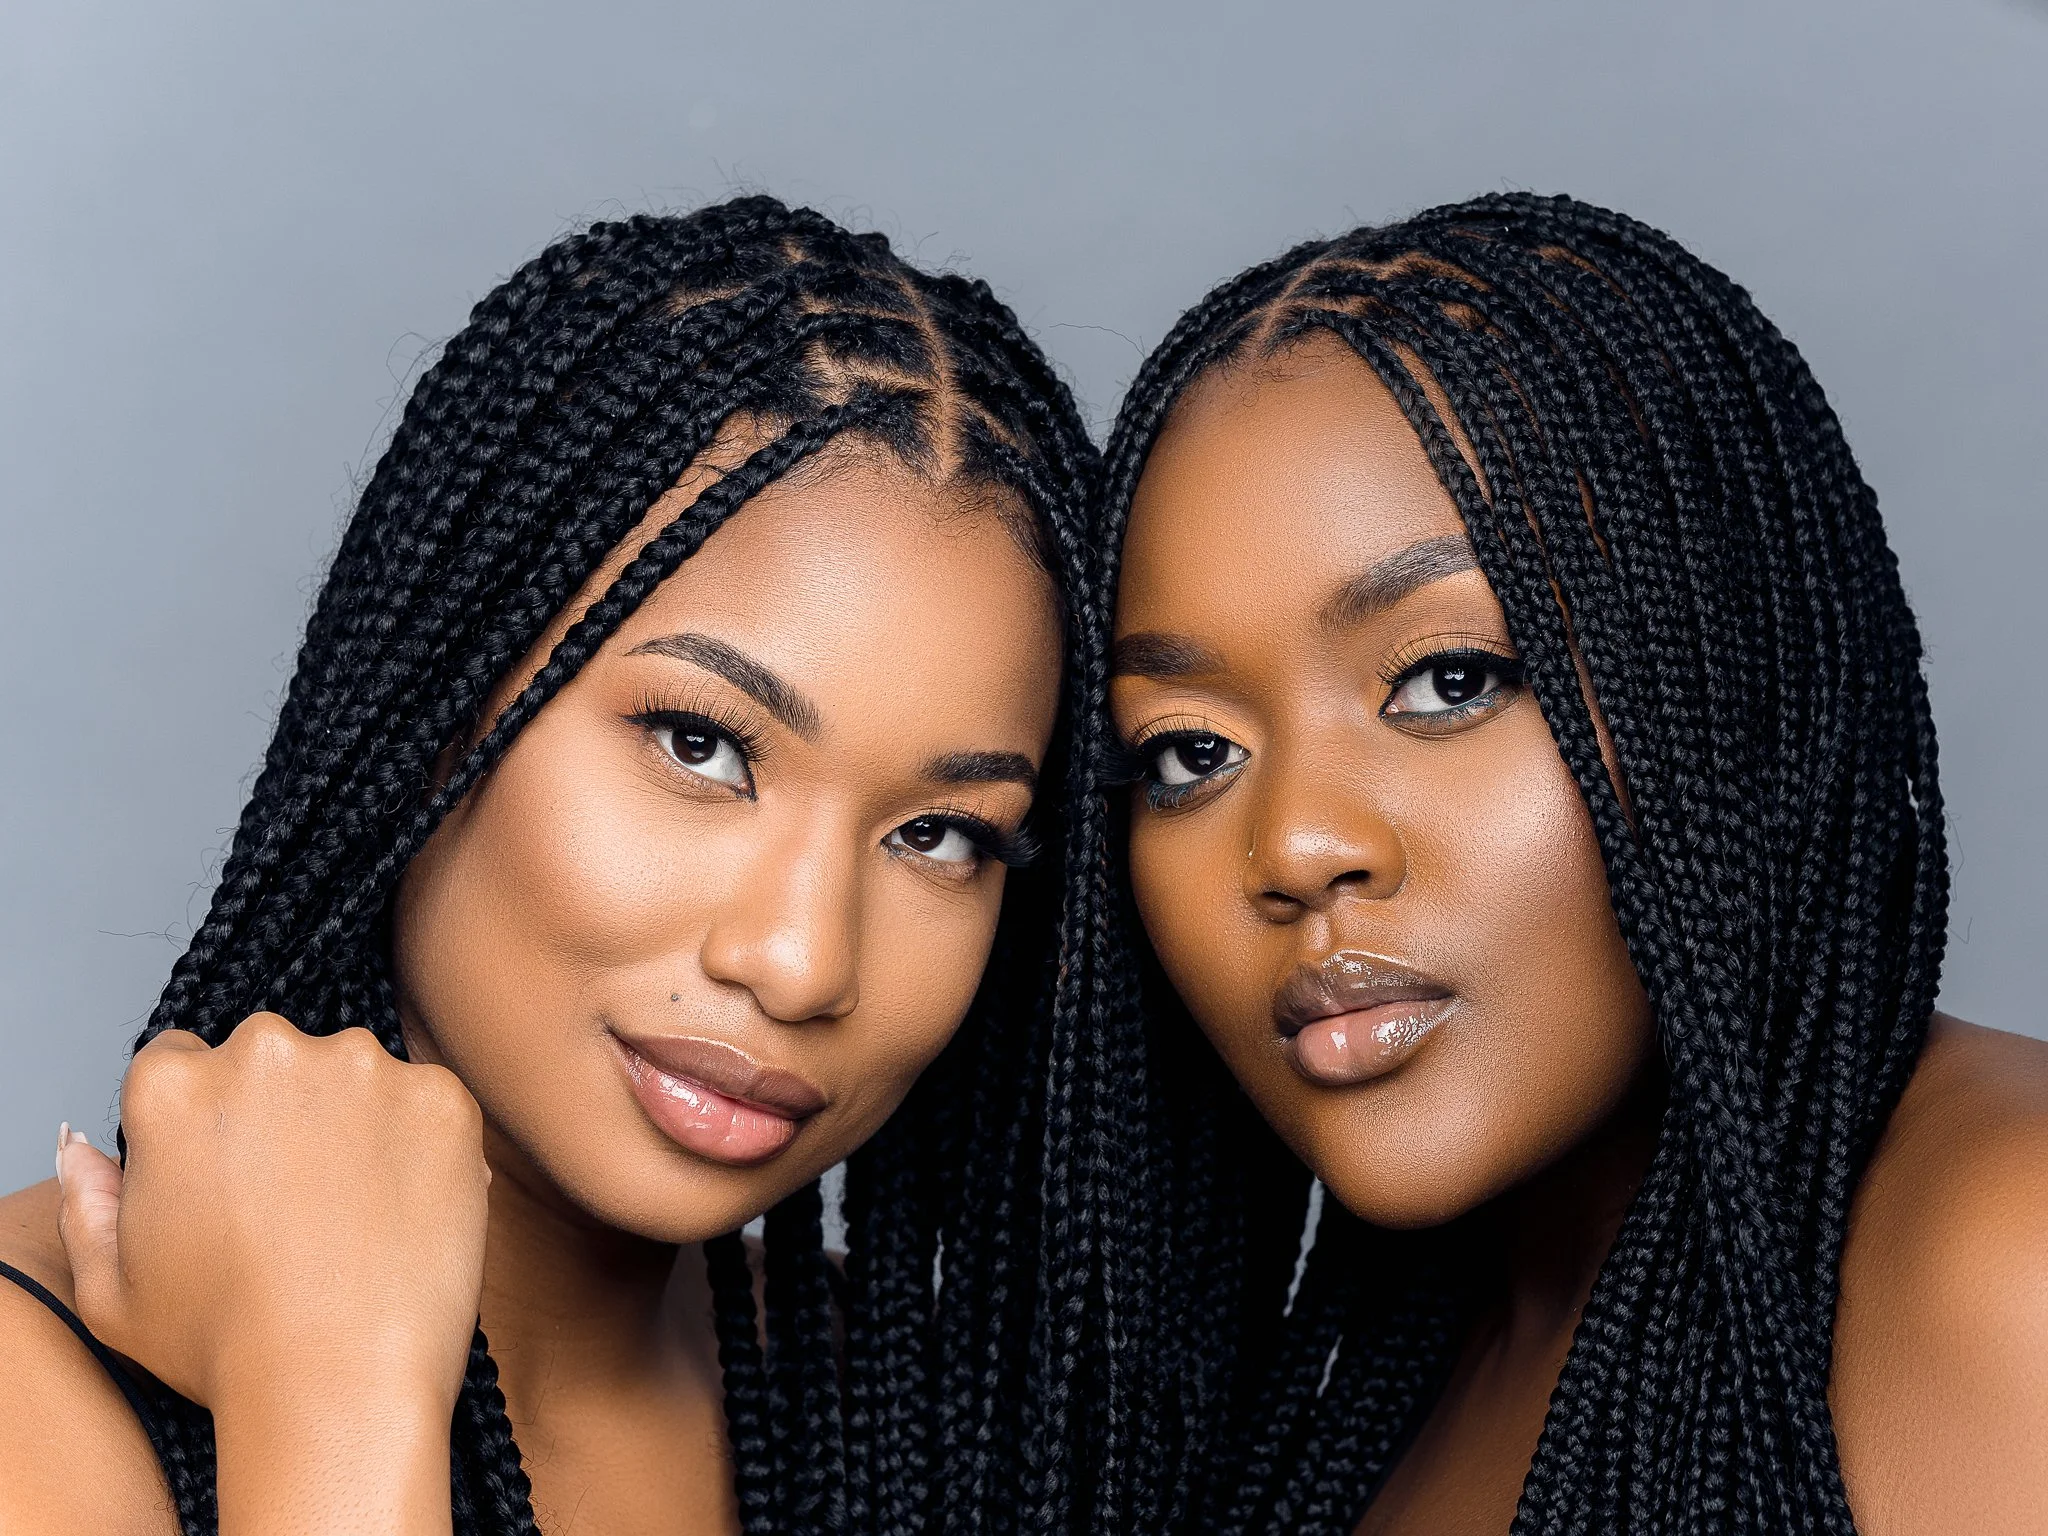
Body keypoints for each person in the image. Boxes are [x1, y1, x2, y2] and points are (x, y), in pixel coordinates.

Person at [0, 196, 1114, 1536]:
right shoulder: (34, 1399)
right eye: (701, 746)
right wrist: (337, 1394)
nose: (805, 959)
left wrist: (329, 1397)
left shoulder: (919, 1417)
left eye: (941, 837)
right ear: (433, 699)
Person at [1093, 193, 2048, 1534]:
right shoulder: (1373, 1399)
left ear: (1731, 675)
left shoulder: (2015, 1254)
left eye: (1450, 679)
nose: (1300, 847)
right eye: (1189, 755)